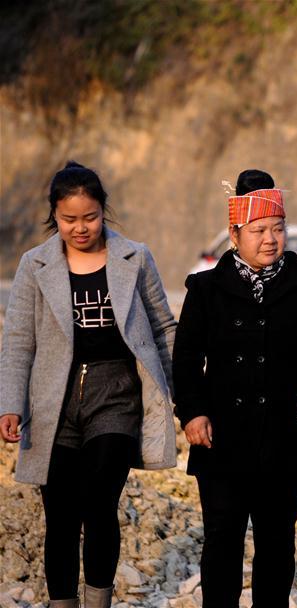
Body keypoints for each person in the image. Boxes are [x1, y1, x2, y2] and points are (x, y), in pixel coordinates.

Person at [0, 162, 178, 608]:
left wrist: (179, 396)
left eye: (90, 217)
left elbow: (163, 329)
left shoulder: (134, 257)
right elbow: (19, 340)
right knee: (59, 516)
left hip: (115, 393)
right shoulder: (34, 264)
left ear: (104, 211)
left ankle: (98, 601)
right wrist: (10, 404)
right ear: (55, 216)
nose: (81, 228)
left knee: (99, 503)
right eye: (69, 219)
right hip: (52, 401)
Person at [172, 169, 297, 607]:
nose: (270, 239)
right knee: (222, 540)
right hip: (221, 436)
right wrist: (191, 412)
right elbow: (186, 357)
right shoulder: (207, 288)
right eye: (259, 230)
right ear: (235, 234)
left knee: (276, 543)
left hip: (285, 435)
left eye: (278, 228)